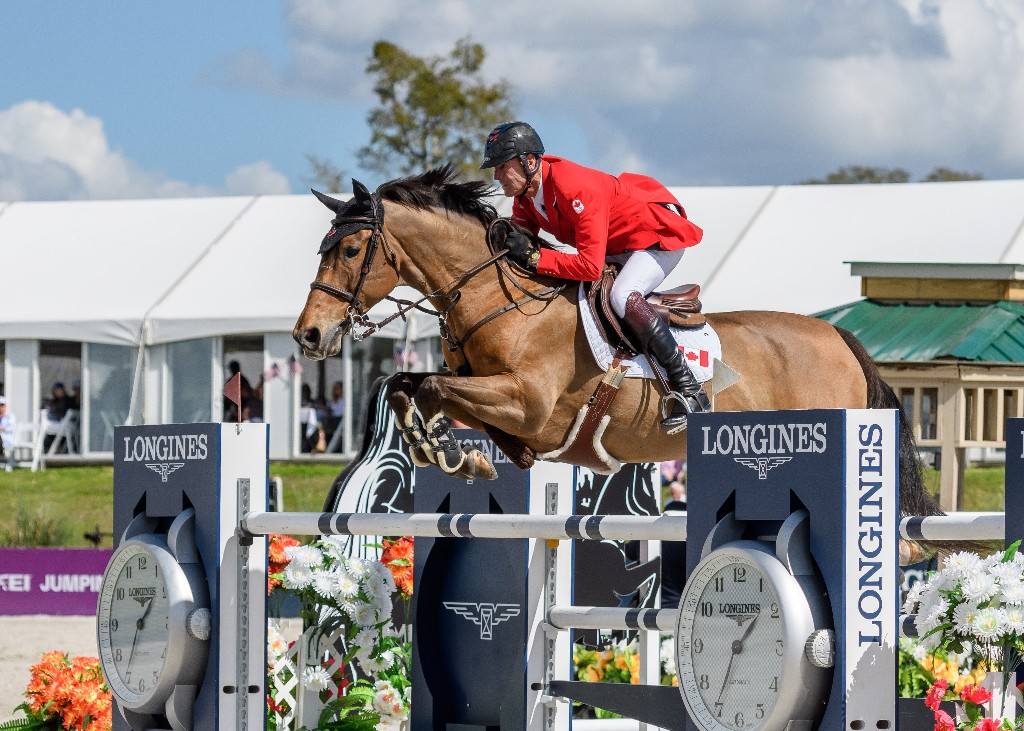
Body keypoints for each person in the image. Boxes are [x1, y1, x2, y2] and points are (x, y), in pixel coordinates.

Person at [481, 121, 710, 433]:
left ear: (529, 161)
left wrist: (536, 258)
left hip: (654, 239)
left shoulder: (574, 187)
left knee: (621, 295)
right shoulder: (525, 198)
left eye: (501, 167)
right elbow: (519, 248)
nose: (496, 176)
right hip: (616, 248)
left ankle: (690, 389)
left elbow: (587, 266)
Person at [0, 397, 16, 468]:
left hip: (7, 439)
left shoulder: (10, 416)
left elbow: (12, 428)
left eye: (2, 405)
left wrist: (3, 428)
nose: (1, 408)